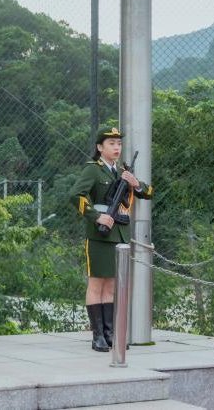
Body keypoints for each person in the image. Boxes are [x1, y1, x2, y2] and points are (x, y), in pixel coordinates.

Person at [67, 127, 153, 352]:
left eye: (119, 144)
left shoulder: (122, 171)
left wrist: (134, 183)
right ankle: (97, 336)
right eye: (111, 143)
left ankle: (110, 333)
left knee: (112, 286)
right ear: (100, 147)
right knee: (97, 283)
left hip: (120, 234)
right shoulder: (93, 171)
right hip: (99, 234)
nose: (116, 147)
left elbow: (148, 192)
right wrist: (97, 217)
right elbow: (75, 195)